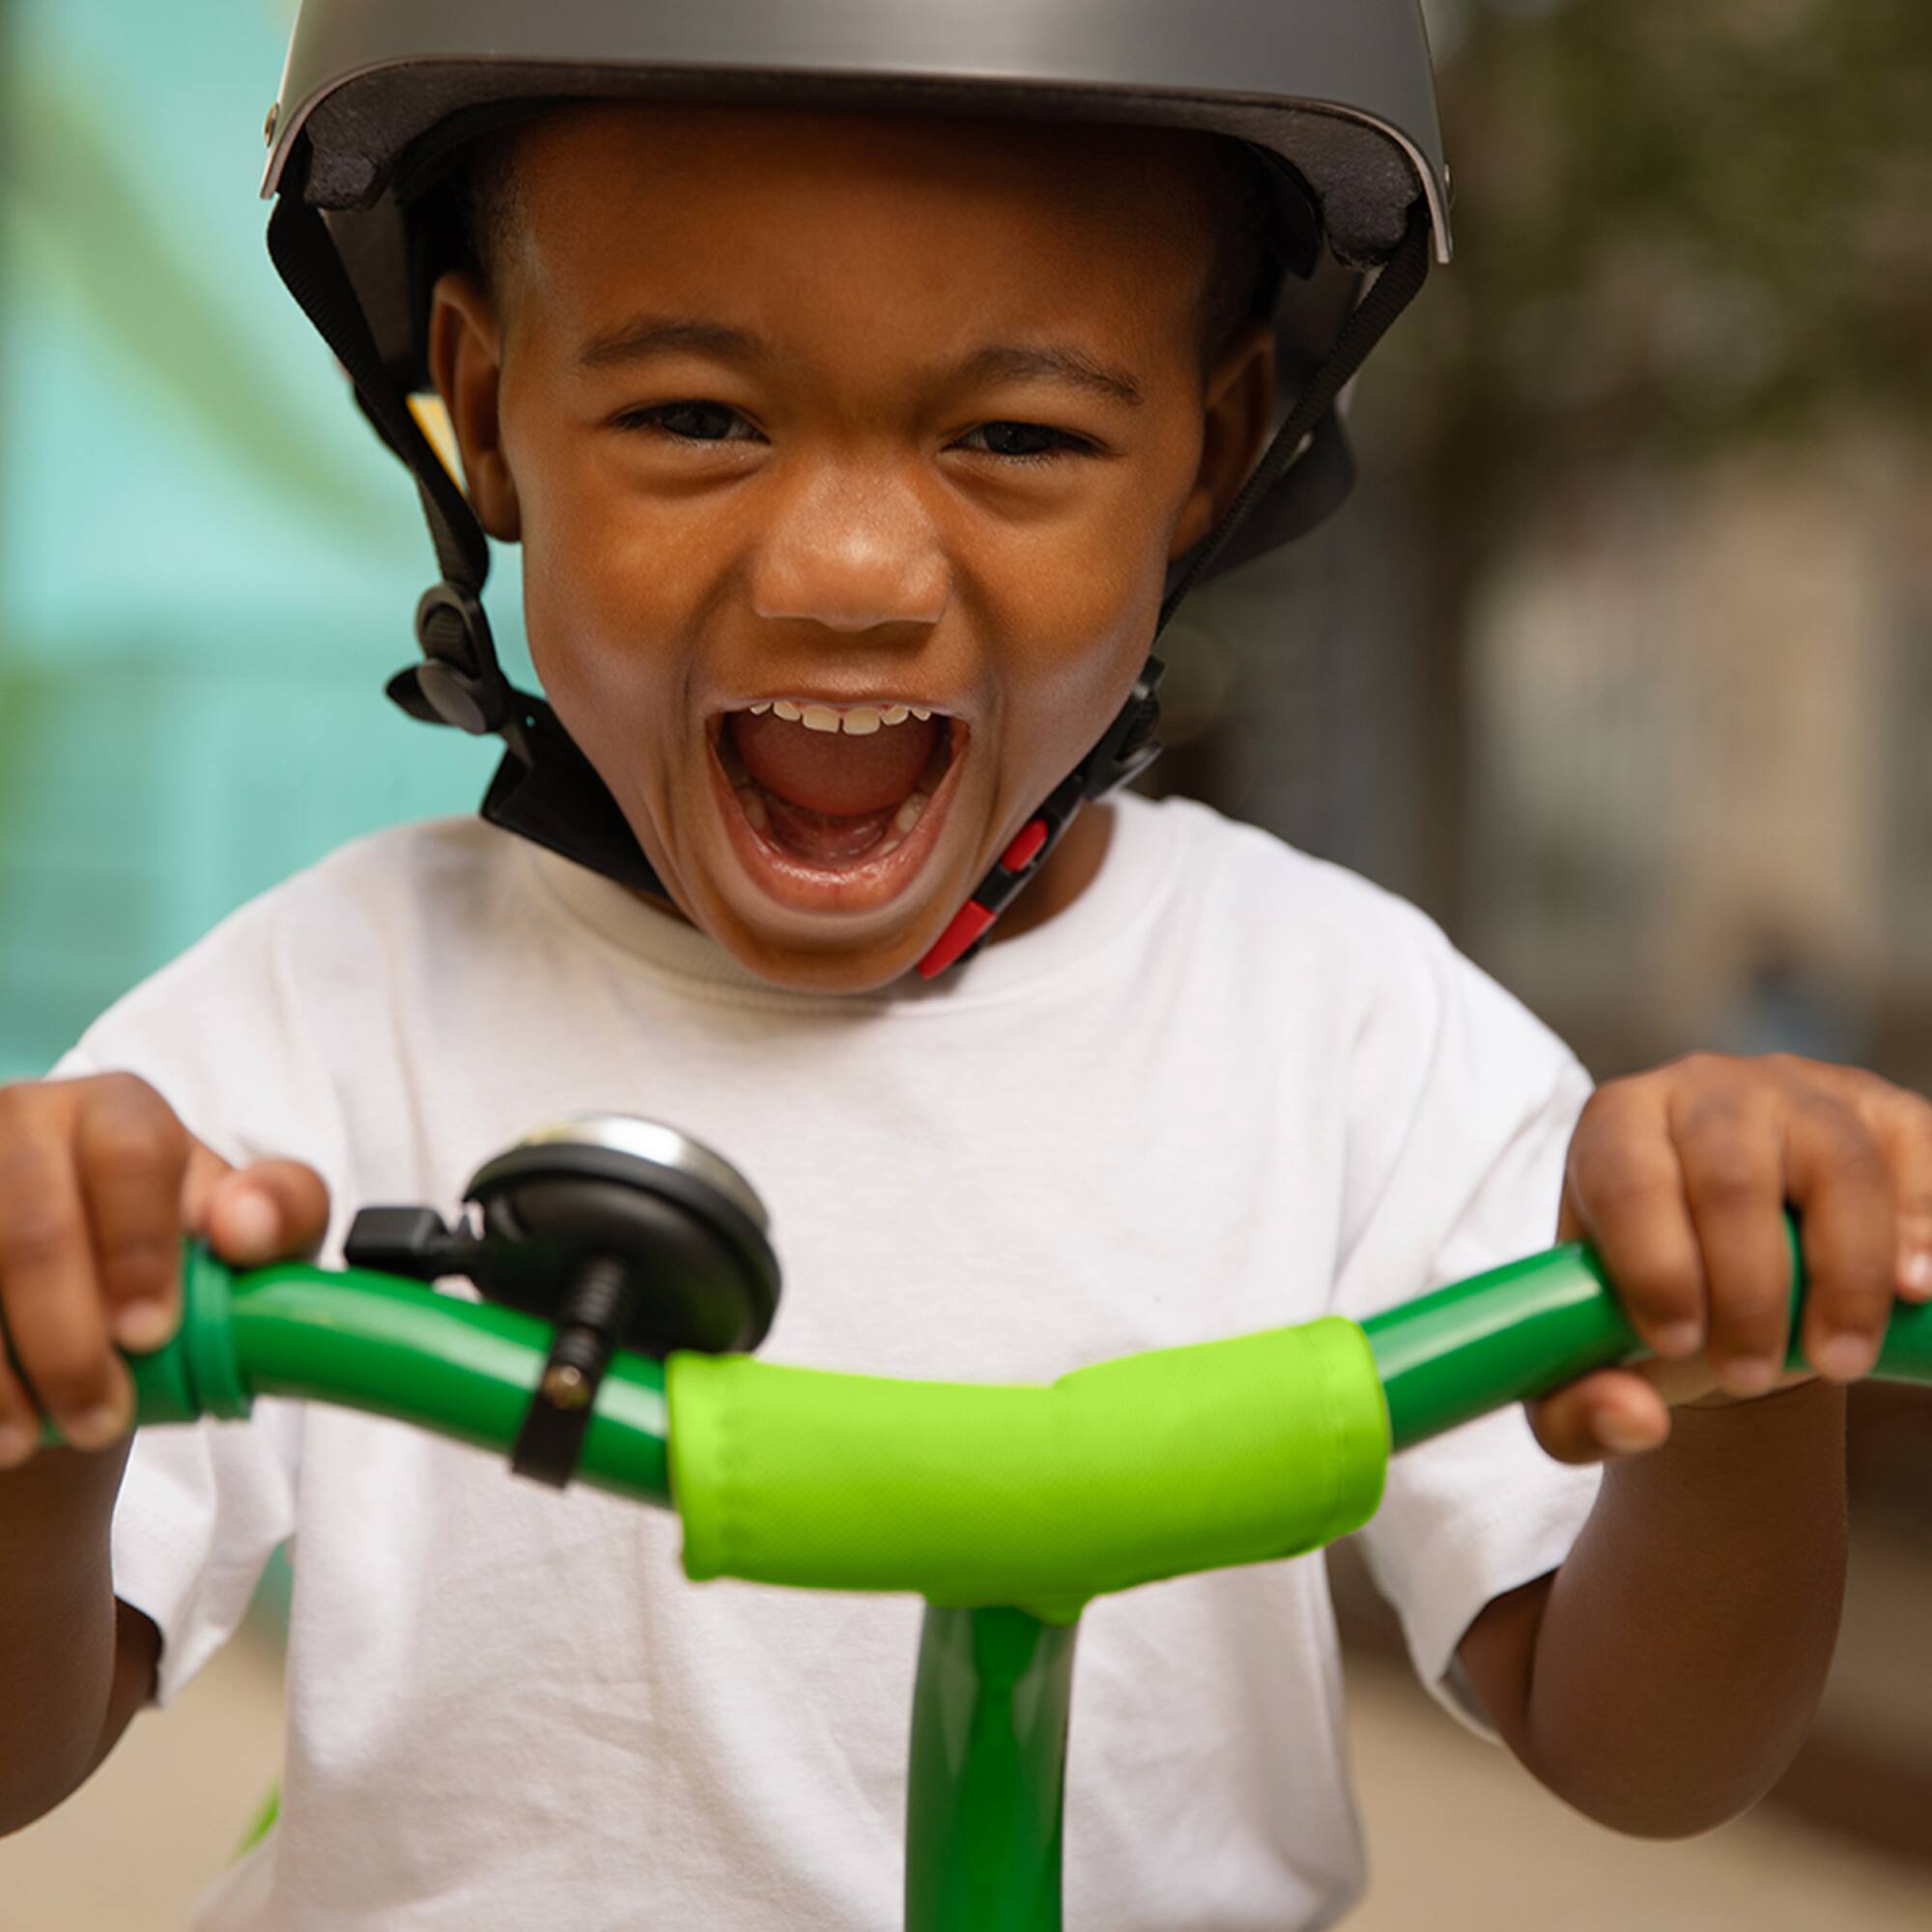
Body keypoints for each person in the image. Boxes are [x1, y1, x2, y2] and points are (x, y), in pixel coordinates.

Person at [2, 6, 1927, 1926]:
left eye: (1017, 438)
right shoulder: (304, 1028)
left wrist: (1736, 1379)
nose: (847, 570)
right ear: (484, 409)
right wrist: (41, 1402)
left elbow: (1649, 1756)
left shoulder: (1347, 1033)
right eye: (697, 418)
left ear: (1209, 455)